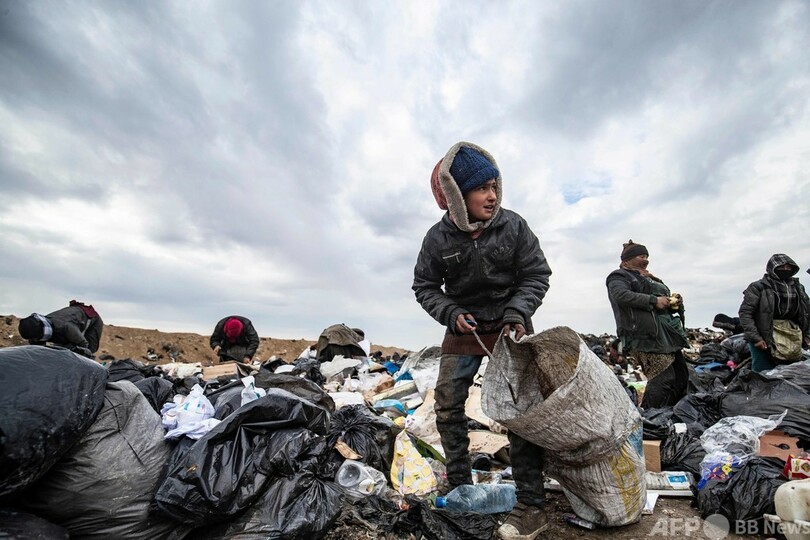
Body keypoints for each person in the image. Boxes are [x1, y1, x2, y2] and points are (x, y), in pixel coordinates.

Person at [412, 141, 552, 540]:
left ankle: (531, 504)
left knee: (521, 406)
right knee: (448, 403)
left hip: (511, 324)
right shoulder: (437, 239)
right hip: (464, 327)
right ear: (456, 196)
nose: (491, 196)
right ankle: (459, 484)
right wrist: (451, 314)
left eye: (494, 186)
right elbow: (425, 286)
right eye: (481, 188)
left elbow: (536, 275)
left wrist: (517, 312)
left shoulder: (514, 225)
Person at [606, 240, 689, 409]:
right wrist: (653, 300)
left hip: (666, 336)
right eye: (640, 256)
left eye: (646, 256)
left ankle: (668, 416)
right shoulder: (618, 276)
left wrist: (674, 302)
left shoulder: (648, 278)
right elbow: (621, 295)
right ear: (626, 261)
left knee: (681, 377)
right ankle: (649, 418)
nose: (645, 259)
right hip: (645, 336)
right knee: (662, 379)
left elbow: (662, 301)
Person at [738, 254, 810, 372]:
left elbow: (806, 312)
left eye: (789, 267)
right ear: (772, 268)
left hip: (790, 335)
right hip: (764, 336)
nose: (786, 269)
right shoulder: (758, 287)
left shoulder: (798, 287)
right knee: (764, 372)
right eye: (782, 267)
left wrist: (806, 335)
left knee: (791, 372)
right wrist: (756, 338)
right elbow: (745, 313)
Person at [18, 300, 103, 357]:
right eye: (34, 339)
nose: (35, 340)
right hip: (67, 324)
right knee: (63, 350)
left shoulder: (65, 327)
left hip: (92, 321)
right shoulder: (34, 332)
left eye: (36, 338)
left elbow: (83, 344)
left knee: (87, 351)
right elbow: (36, 351)